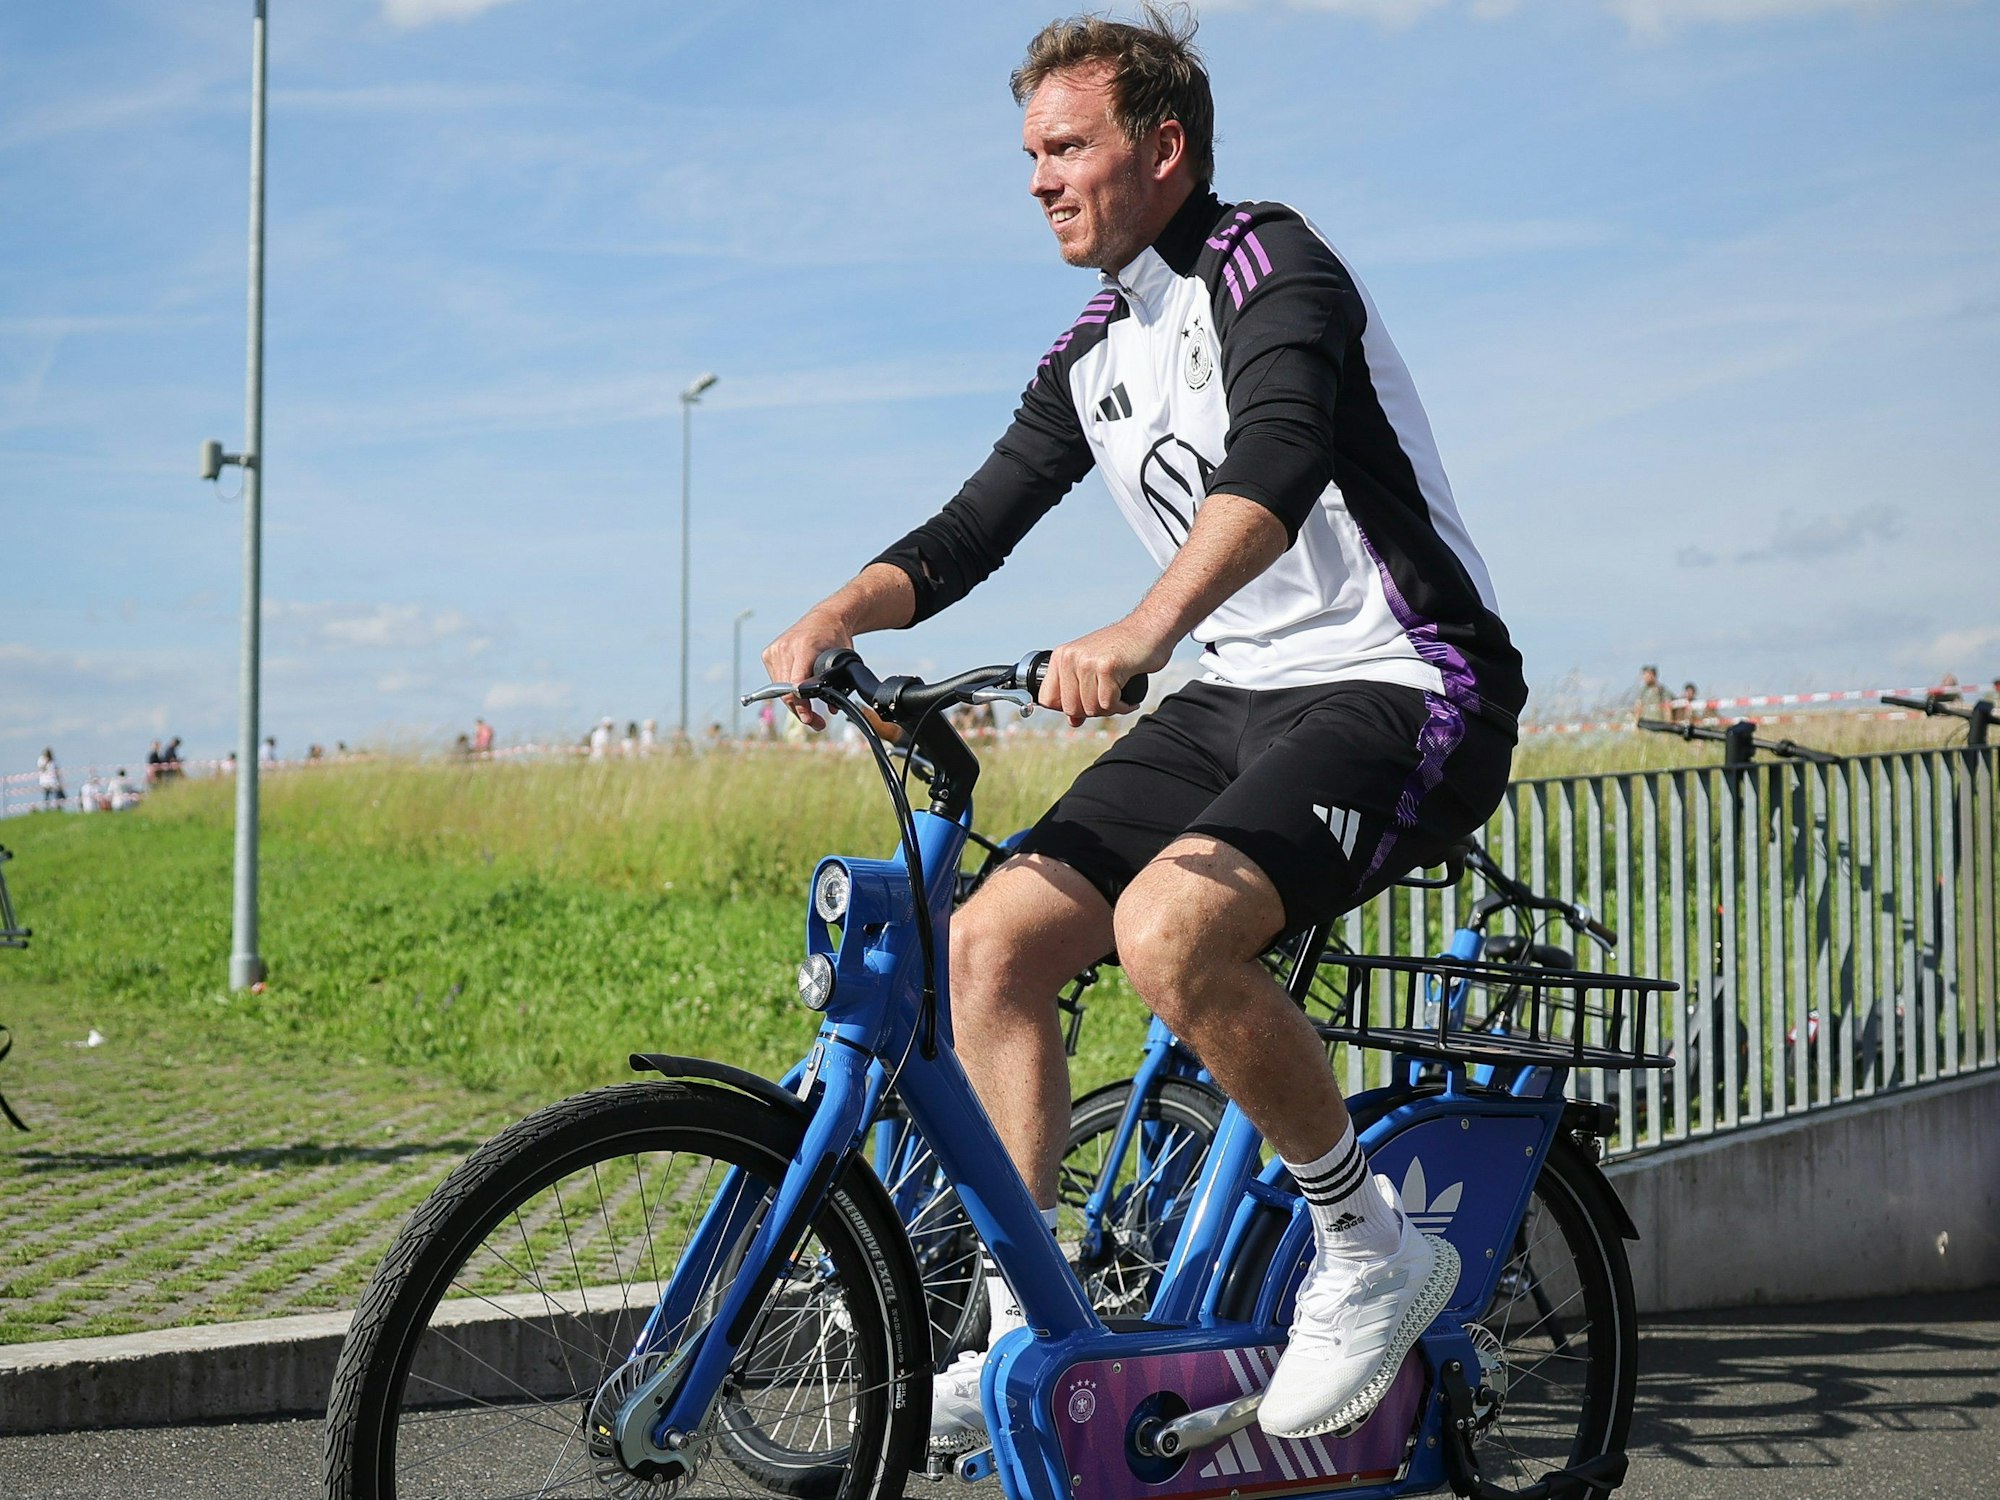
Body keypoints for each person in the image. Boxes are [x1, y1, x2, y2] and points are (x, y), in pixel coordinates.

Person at [762, 8, 1522, 1451]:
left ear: (1163, 147)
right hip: (1238, 698)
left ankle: (1369, 1247)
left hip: (1403, 681)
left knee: (1169, 931)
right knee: (991, 943)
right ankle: (1023, 1329)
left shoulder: (1270, 265)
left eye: (1067, 147)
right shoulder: (1096, 352)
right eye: (1030, 153)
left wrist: (1140, 632)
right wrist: (839, 613)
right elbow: (972, 528)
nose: (1039, 179)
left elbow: (1280, 462)